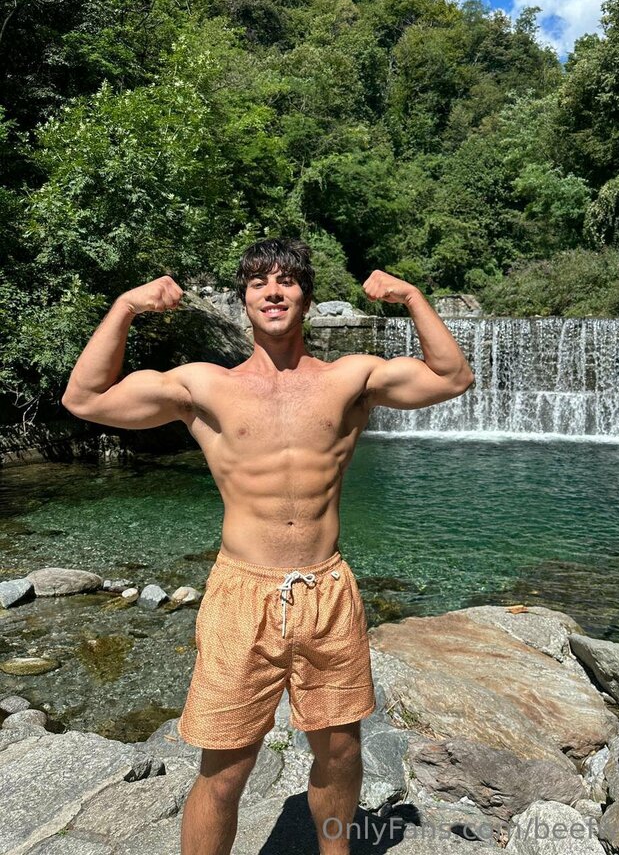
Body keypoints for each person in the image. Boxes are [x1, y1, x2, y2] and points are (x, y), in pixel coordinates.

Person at [60, 236, 475, 855]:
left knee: (340, 753)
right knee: (225, 769)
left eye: (286, 281)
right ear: (245, 300)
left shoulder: (350, 378)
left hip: (325, 590)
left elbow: (453, 376)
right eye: (259, 283)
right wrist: (125, 306)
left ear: (306, 297)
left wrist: (411, 296)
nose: (273, 292)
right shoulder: (204, 385)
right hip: (241, 594)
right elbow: (84, 398)